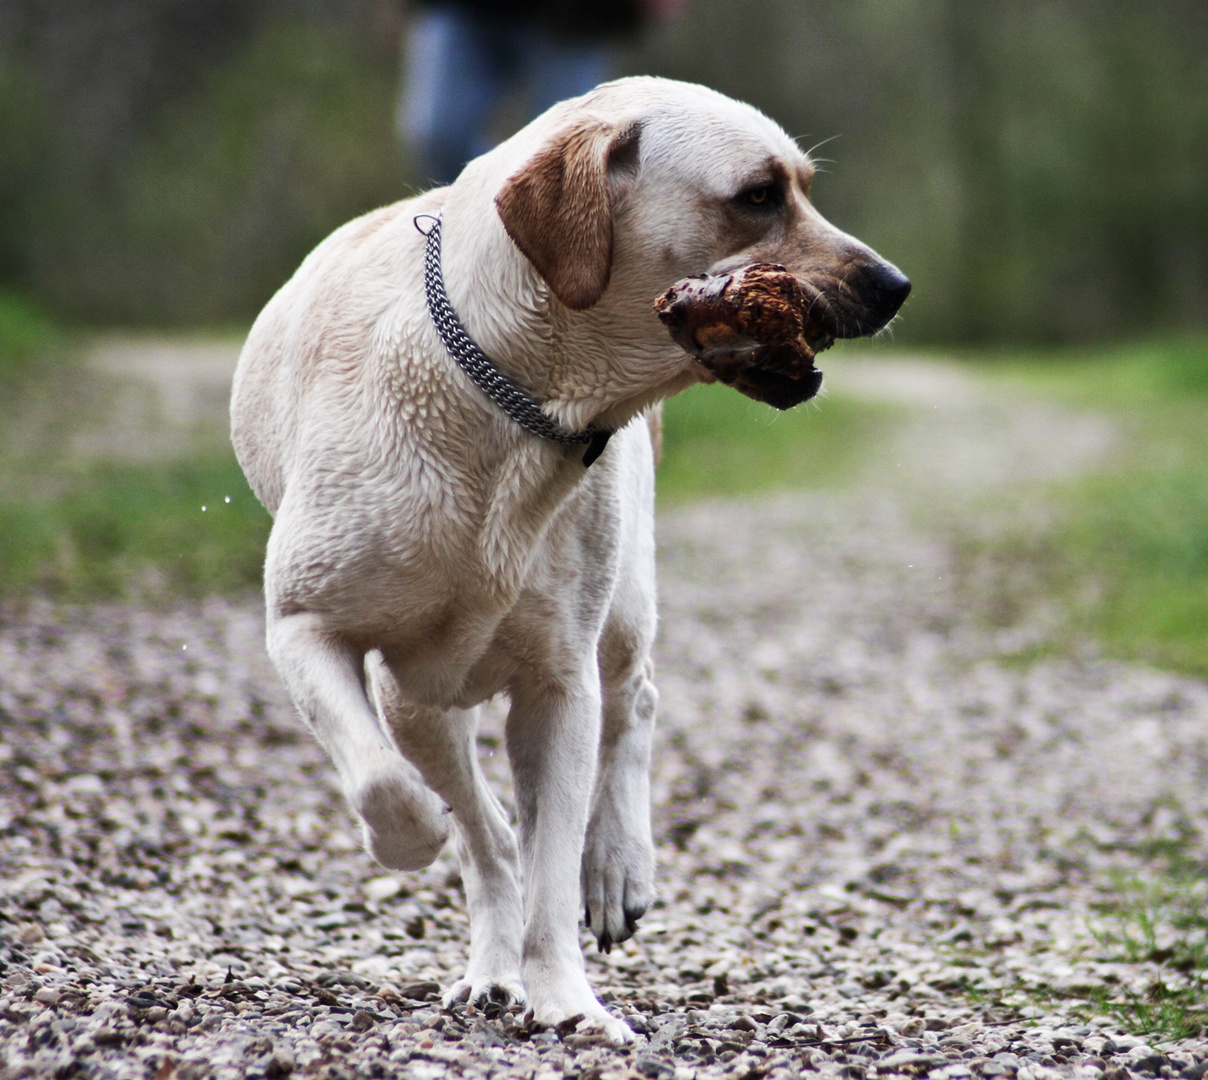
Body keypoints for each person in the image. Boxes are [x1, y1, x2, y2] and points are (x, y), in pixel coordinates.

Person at [398, 0, 679, 185]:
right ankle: (480, 221)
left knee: (565, 156)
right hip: (466, 11)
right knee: (440, 136)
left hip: (579, 19)